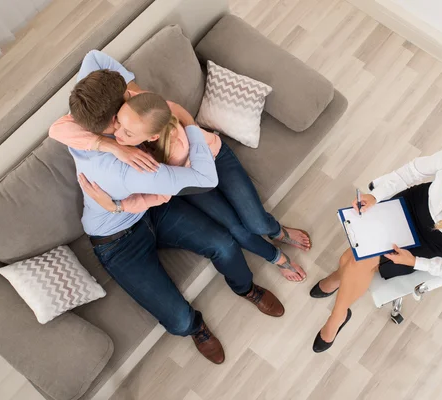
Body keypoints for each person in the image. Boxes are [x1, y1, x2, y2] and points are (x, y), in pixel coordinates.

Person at [53, 54, 287, 365]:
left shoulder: (83, 120)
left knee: (224, 244)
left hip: (150, 211)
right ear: (113, 122)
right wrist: (187, 122)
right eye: (128, 103)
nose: (132, 99)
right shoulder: (135, 168)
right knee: (177, 320)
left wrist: (121, 128)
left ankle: (246, 289)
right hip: (117, 241)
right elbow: (206, 177)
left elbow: (94, 57)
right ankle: (196, 328)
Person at [50, 50, 311, 282]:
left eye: (125, 132)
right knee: (235, 229)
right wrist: (111, 146)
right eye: (119, 125)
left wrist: (190, 126)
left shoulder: (160, 131)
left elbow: (204, 176)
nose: (118, 134)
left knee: (256, 222)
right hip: (190, 182)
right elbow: (58, 127)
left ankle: (276, 230)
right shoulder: (128, 120)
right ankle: (277, 258)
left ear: (150, 136)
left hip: (212, 158)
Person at [309, 148, 442, 352]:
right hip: (414, 204)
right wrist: (376, 196)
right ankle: (338, 297)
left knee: (357, 259)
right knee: (351, 258)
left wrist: (415, 262)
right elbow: (411, 172)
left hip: (432, 241)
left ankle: (337, 314)